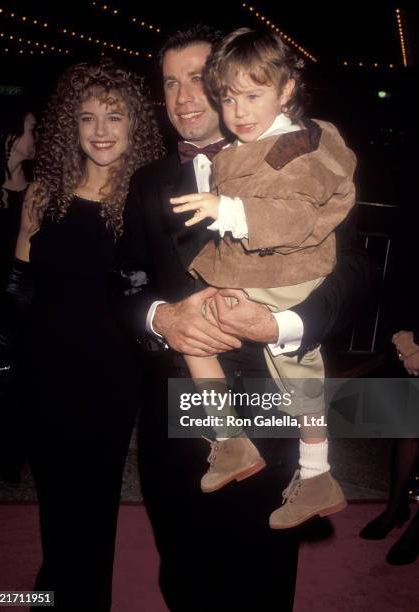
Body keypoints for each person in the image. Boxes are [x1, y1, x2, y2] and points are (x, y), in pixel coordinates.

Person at [117, 25, 375, 611]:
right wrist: (161, 318)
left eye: (201, 81)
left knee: (258, 579)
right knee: (182, 573)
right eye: (169, 84)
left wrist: (283, 326)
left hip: (271, 394)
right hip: (181, 405)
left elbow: (354, 267)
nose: (185, 98)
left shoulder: (302, 154)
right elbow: (123, 280)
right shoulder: (149, 180)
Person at [170, 27, 354, 527]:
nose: (240, 111)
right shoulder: (247, 144)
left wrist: (224, 207)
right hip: (251, 270)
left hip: (285, 273)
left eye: (253, 96)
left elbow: (292, 220)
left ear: (286, 90)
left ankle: (316, 476)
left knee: (297, 379)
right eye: (229, 99)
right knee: (196, 337)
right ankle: (232, 443)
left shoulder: (295, 147)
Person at [14, 58, 163, 611]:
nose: (100, 131)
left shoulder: (146, 202)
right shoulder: (43, 193)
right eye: (86, 118)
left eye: (115, 117)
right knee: (54, 501)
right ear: (69, 127)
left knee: (93, 502)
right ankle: (52, 595)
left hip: (110, 378)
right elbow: (20, 289)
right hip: (43, 370)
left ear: (135, 126)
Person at [360, 208, 419, 565]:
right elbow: (403, 271)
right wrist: (404, 337)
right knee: (408, 424)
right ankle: (396, 507)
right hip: (412, 332)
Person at [0, 100, 37, 481]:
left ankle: (16, 457)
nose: (37, 138)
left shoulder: (37, 185)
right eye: (31, 130)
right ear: (9, 137)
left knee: (23, 383)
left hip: (27, 300)